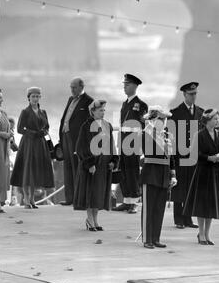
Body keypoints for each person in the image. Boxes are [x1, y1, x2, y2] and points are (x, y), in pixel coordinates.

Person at [73, 99, 119, 231]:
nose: (103, 112)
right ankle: (89, 219)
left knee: (99, 193)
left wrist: (113, 161)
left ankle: (96, 219)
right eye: (100, 110)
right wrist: (89, 163)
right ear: (92, 111)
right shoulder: (86, 126)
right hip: (92, 165)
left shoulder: (108, 125)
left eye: (104, 110)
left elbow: (112, 145)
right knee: (90, 192)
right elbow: (81, 147)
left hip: (104, 165)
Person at [183, 109, 219, 245]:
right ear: (207, 120)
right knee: (202, 205)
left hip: (215, 173)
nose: (217, 121)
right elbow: (195, 154)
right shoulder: (199, 135)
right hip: (203, 172)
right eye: (215, 119)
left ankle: (207, 234)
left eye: (217, 119)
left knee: (211, 205)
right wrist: (209, 158)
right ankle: (201, 233)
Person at [10, 87, 55, 209]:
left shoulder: (43, 112)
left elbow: (47, 127)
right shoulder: (25, 112)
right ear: (29, 98)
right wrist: (32, 133)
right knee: (27, 170)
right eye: (33, 96)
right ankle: (26, 198)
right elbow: (20, 129)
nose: (35, 98)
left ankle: (32, 199)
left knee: (35, 171)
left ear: (40, 97)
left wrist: (43, 132)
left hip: (40, 144)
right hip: (28, 144)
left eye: (37, 96)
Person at [141, 106, 177, 249]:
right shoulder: (146, 134)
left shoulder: (165, 136)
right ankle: (147, 239)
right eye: (161, 118)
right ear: (154, 119)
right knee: (148, 209)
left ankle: (156, 238)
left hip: (163, 175)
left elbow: (171, 158)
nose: (164, 121)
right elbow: (150, 152)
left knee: (159, 209)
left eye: (165, 119)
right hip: (151, 174)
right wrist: (164, 144)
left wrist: (173, 175)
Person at [112, 74, 148, 214]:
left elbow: (143, 126)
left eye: (127, 85)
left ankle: (134, 202)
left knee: (133, 172)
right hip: (123, 142)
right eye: (124, 84)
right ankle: (127, 201)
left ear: (134, 86)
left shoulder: (141, 105)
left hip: (133, 143)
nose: (124, 87)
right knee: (124, 172)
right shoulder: (125, 103)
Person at [169, 82, 203, 229]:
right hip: (180, 156)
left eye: (195, 93)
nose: (193, 96)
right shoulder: (175, 113)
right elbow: (170, 136)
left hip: (193, 157)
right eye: (191, 94)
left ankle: (188, 218)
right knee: (179, 187)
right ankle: (178, 219)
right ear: (184, 95)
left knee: (191, 187)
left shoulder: (201, 113)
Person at [59, 77, 93, 206]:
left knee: (76, 168)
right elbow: (65, 118)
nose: (72, 89)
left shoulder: (89, 101)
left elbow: (90, 123)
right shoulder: (70, 99)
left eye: (74, 87)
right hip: (66, 136)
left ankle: (78, 199)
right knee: (67, 167)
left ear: (81, 87)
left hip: (77, 140)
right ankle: (70, 198)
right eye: (71, 87)